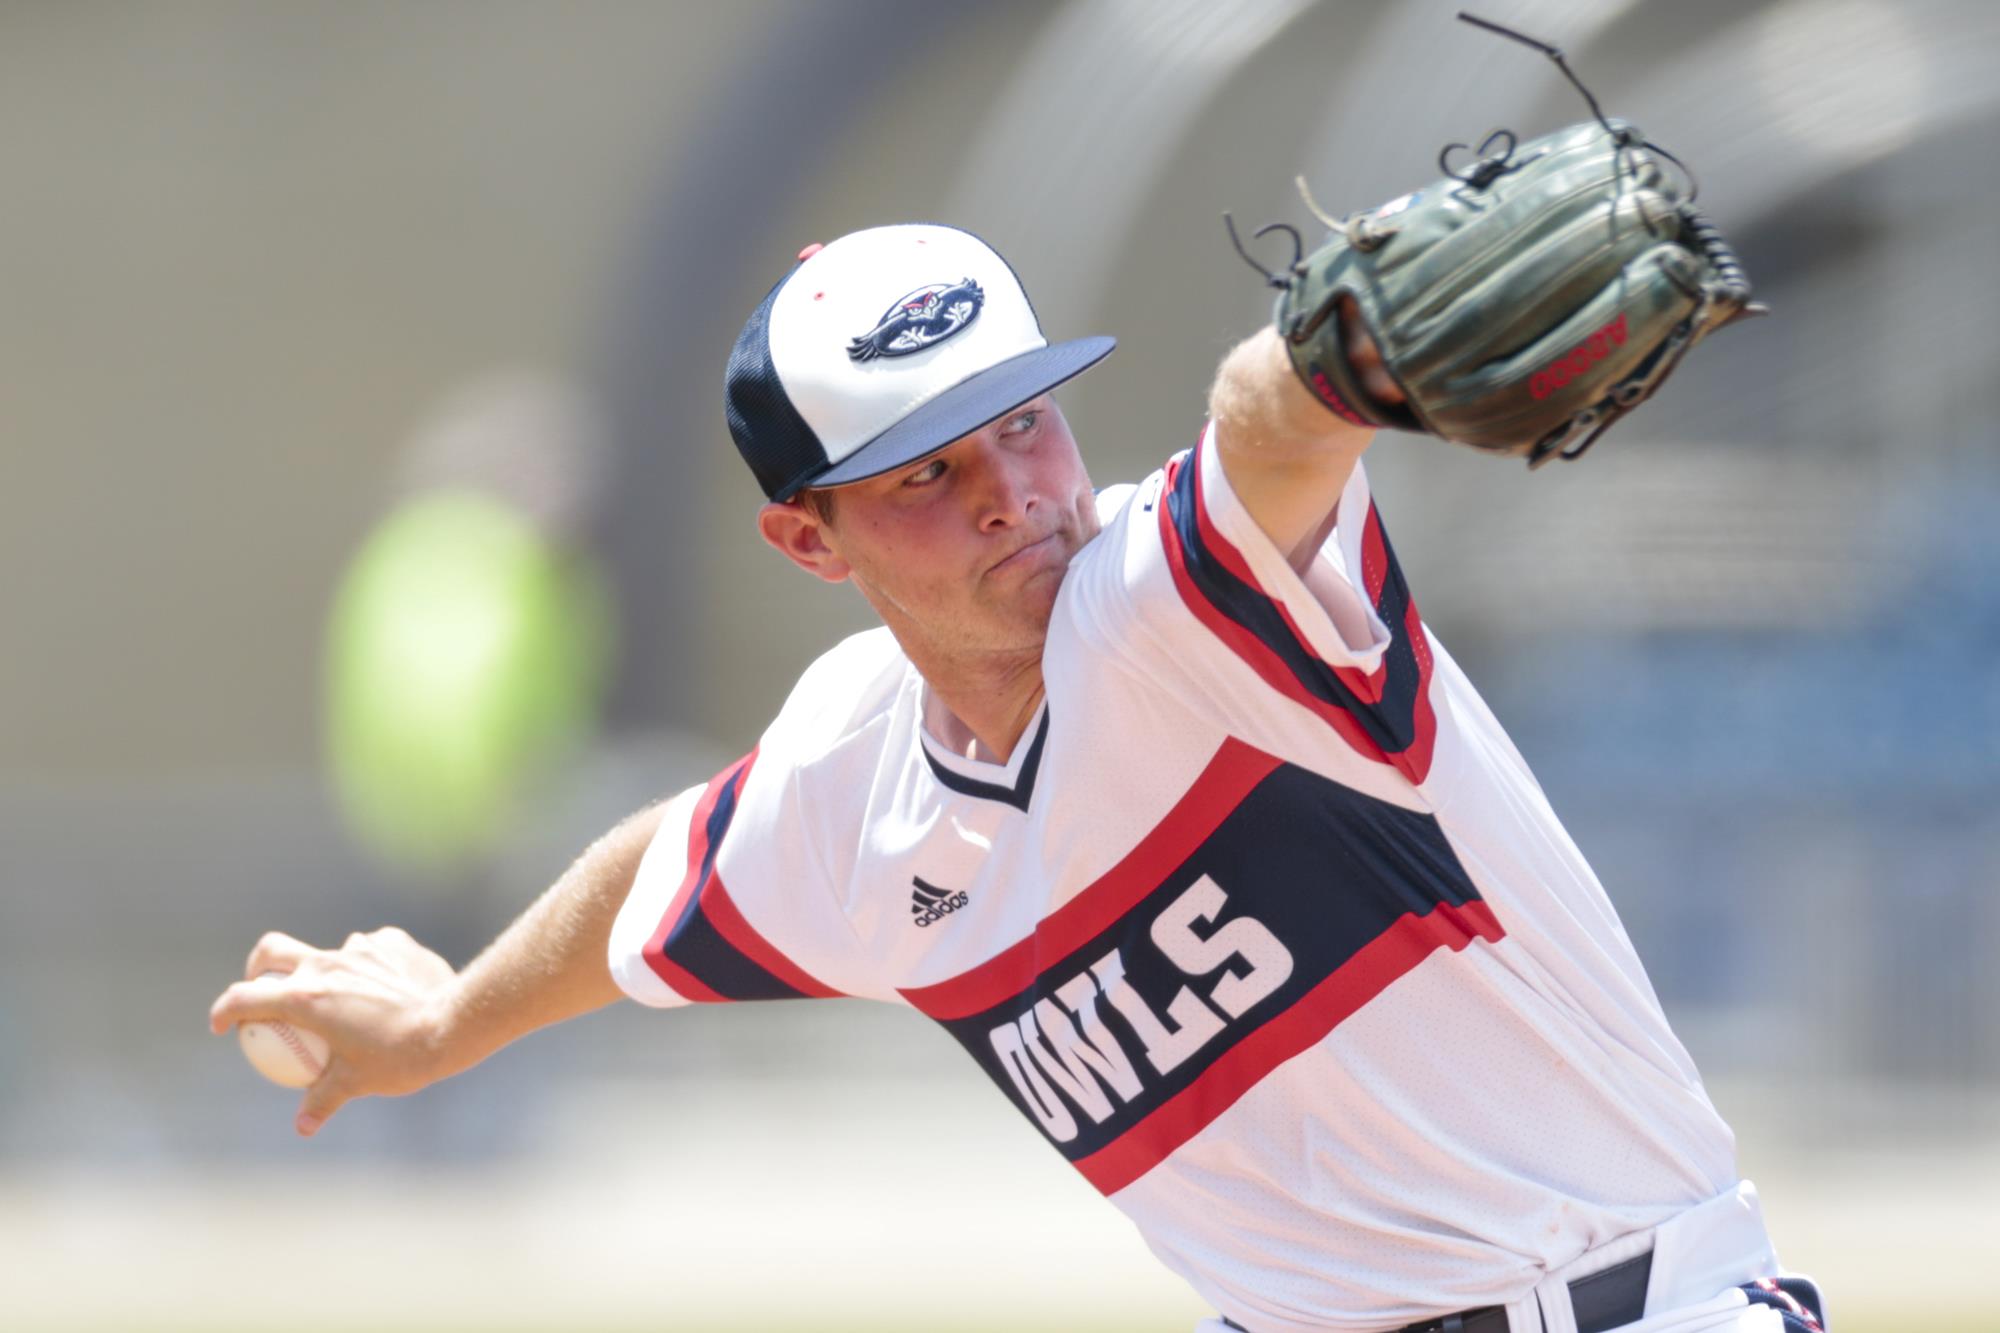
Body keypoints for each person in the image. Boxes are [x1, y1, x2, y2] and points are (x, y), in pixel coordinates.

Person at [211, 224, 1825, 1333]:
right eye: (928, 473)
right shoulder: (853, 787)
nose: (1015, 495)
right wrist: (439, 1025)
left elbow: (1262, 436)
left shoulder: (1178, 610)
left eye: (1026, 427)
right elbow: (665, 874)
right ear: (806, 539)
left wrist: (1344, 352)